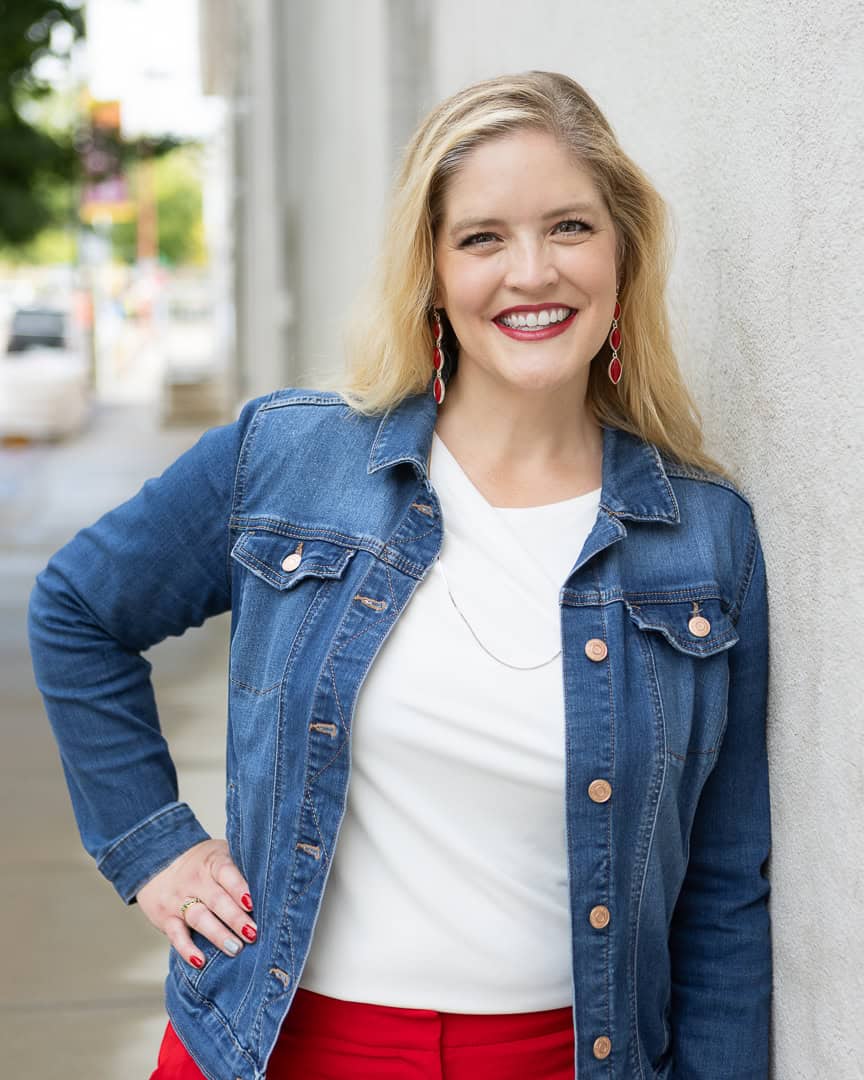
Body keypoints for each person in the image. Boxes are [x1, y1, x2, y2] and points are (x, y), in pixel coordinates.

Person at [28, 71, 771, 1080]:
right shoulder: (294, 457)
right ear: (429, 269)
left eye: (569, 228)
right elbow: (76, 608)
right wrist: (154, 844)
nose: (531, 271)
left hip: (562, 1059)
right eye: (482, 238)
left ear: (622, 251)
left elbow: (723, 892)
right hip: (277, 1044)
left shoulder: (703, 539)